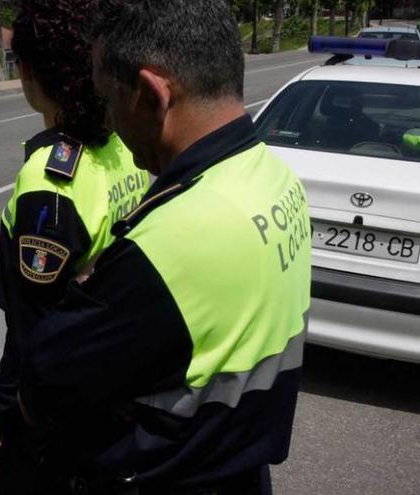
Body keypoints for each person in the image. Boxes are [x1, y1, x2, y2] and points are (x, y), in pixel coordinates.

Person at [16, 1, 312, 493]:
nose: (109, 121)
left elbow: (42, 389)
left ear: (153, 95)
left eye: (109, 100)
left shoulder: (175, 238)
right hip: (240, 469)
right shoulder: (273, 176)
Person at [0, 1, 149, 493]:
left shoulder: (50, 182)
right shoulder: (118, 146)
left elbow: (36, 329)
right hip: (113, 381)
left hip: (56, 415)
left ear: (30, 72)